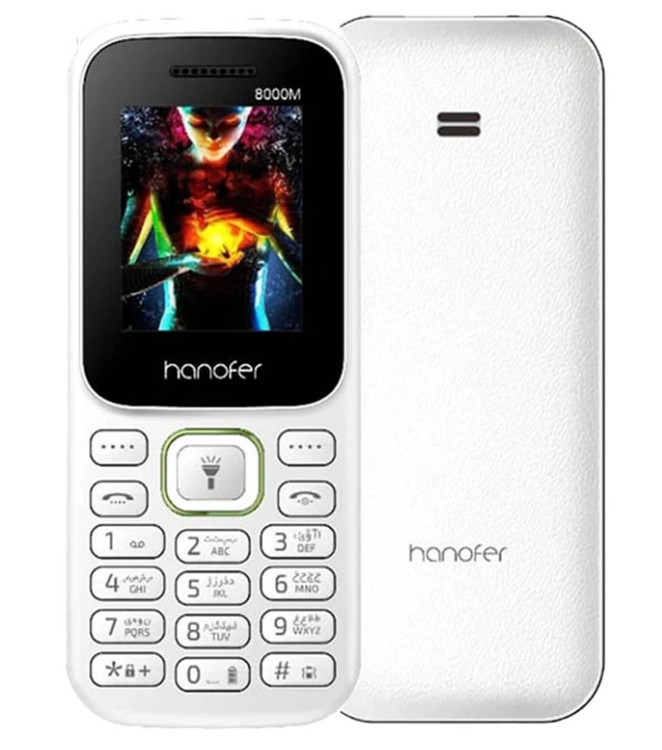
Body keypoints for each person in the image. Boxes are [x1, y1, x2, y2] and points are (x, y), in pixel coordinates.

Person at [121, 105, 302, 331]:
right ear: (180, 113)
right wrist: (185, 262)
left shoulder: (269, 179)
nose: (213, 137)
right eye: (197, 122)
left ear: (248, 112)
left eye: (230, 122)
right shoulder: (158, 179)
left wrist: (268, 228)